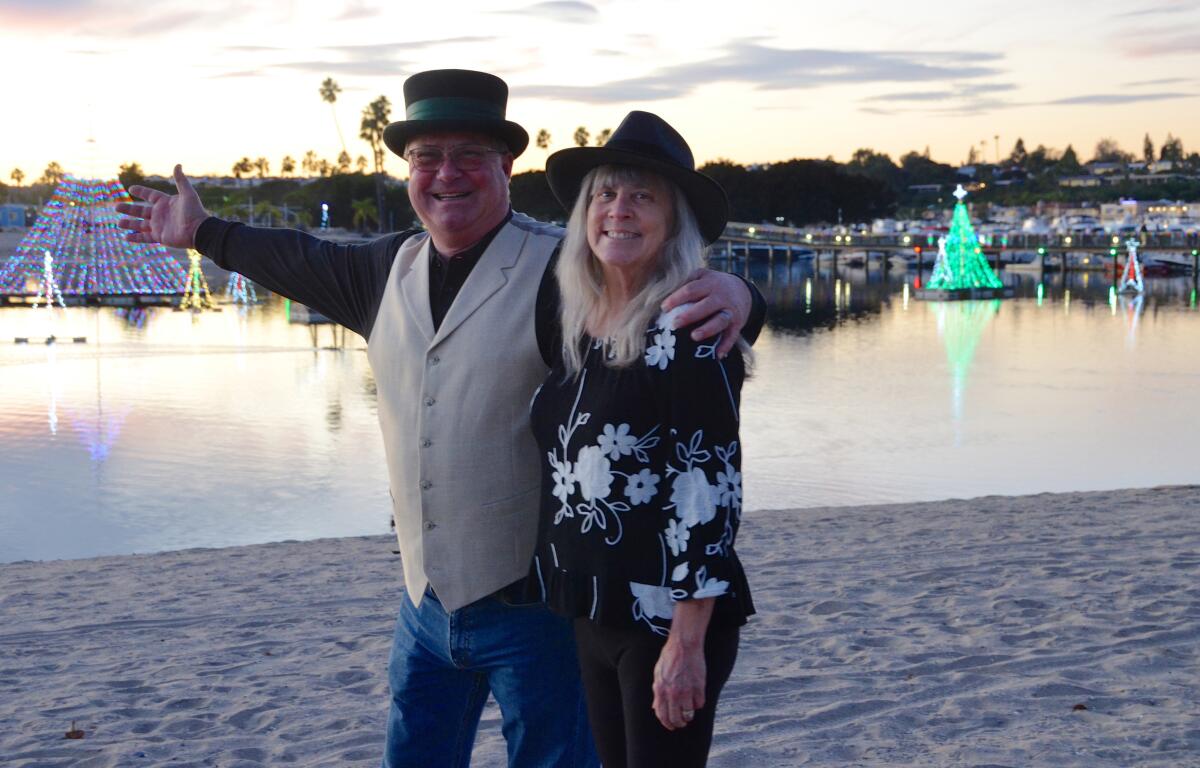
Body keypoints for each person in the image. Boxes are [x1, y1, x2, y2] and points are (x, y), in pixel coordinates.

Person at [116, 70, 764, 768]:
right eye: (427, 157)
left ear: (505, 168)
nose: (446, 174)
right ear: (408, 172)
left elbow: (661, 292)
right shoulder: (381, 271)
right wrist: (203, 232)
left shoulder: (562, 273)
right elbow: (295, 259)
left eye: (469, 157)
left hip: (537, 610)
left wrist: (741, 294)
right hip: (424, 608)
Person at [526, 111, 754, 768]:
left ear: (673, 222)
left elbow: (708, 490)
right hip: (593, 611)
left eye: (641, 196)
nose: (618, 210)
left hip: (665, 620)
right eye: (605, 194)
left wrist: (686, 643)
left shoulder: (689, 327)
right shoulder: (577, 324)